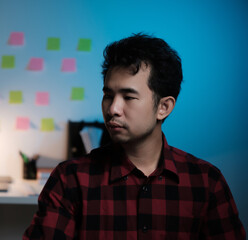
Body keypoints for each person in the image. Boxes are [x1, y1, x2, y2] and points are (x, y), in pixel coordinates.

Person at [23, 33, 246, 239]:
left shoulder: (206, 182)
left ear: (164, 107)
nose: (112, 109)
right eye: (108, 95)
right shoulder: (70, 179)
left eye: (128, 97)